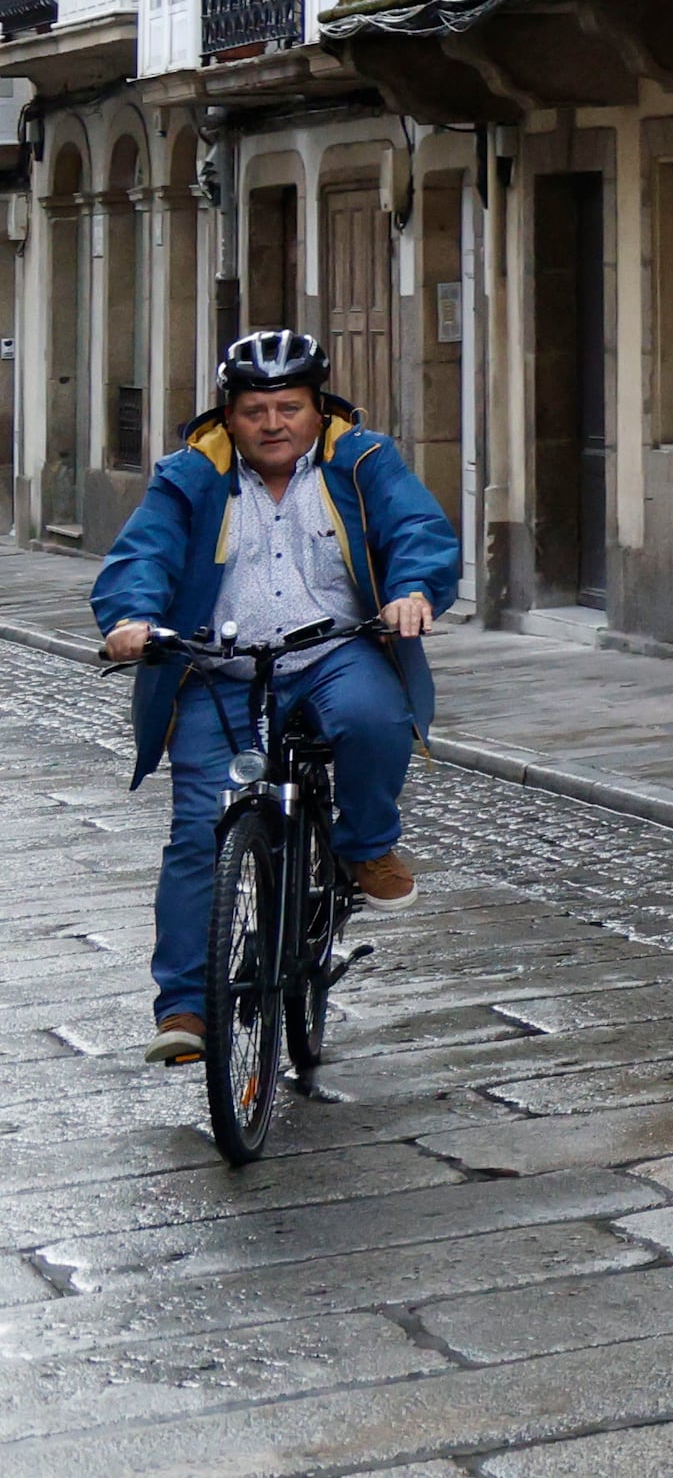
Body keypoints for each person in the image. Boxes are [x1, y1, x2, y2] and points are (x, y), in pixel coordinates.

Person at [91, 332, 456, 1068]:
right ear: (229, 414)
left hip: (333, 649)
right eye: (255, 408)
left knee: (374, 719)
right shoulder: (191, 475)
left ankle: (363, 844)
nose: (272, 422)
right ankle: (187, 1005)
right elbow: (144, 553)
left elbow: (416, 528)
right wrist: (131, 618)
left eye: (289, 406)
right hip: (220, 666)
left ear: (318, 409)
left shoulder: (363, 463)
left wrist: (413, 590)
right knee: (199, 826)